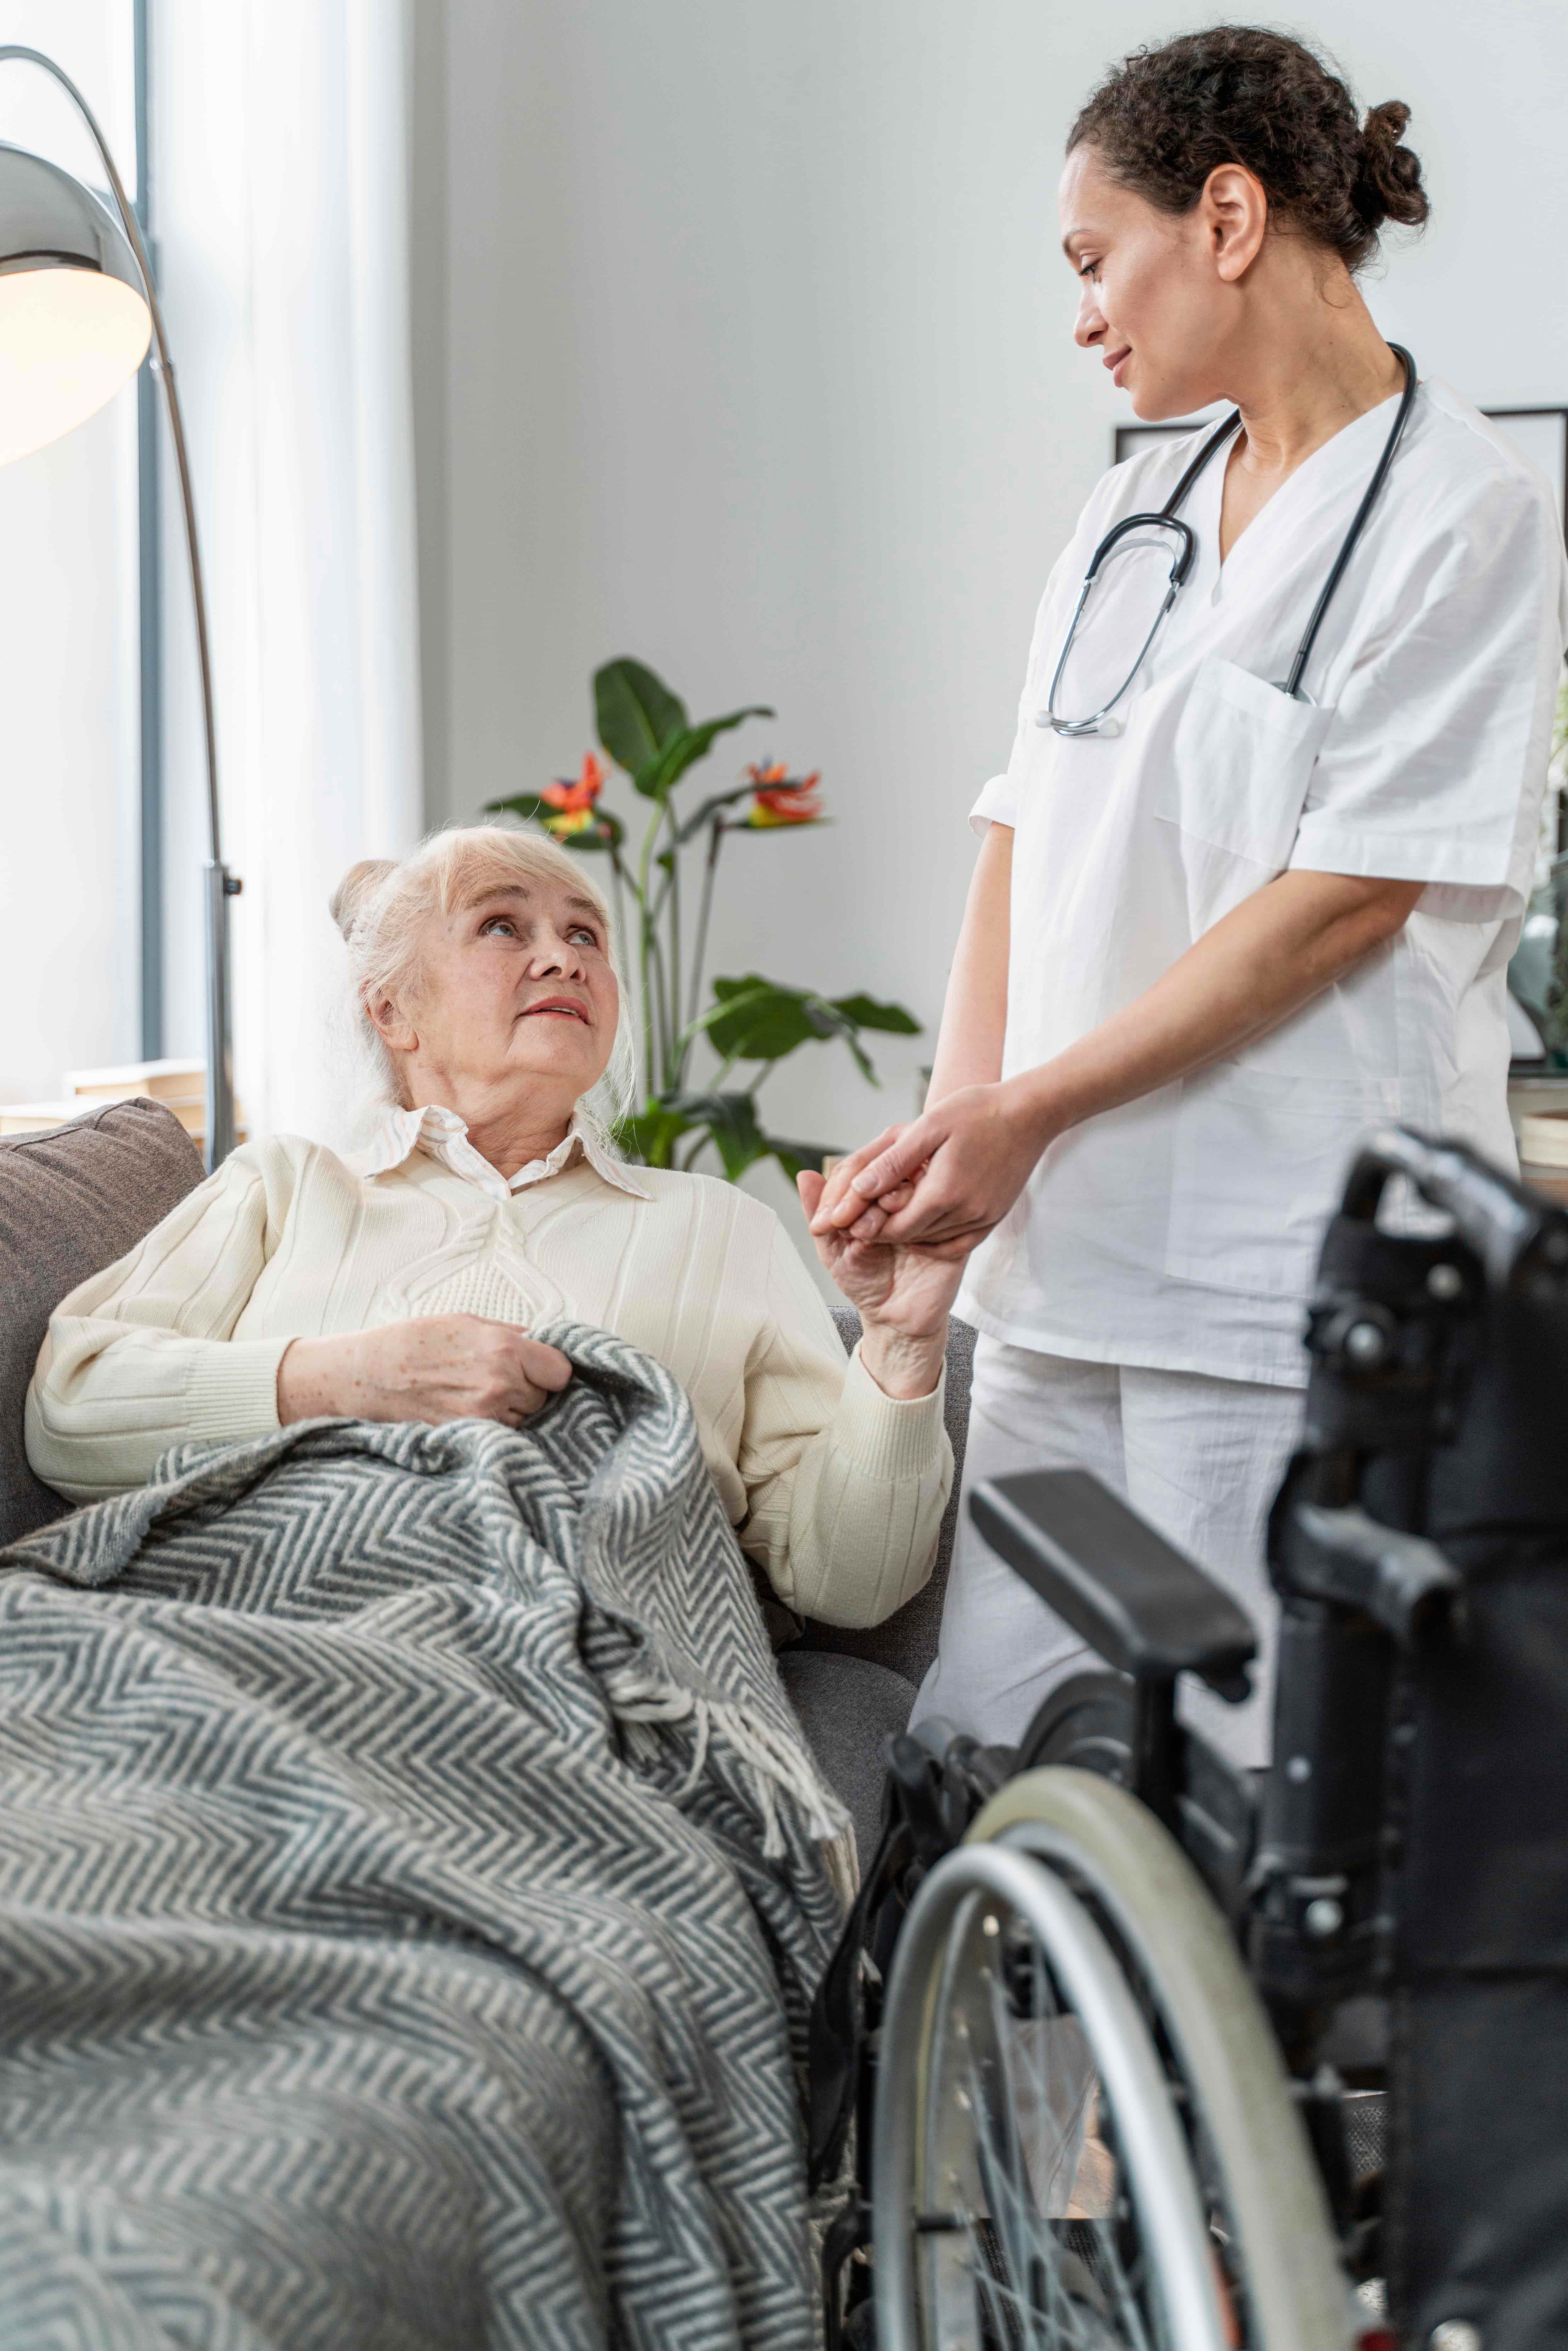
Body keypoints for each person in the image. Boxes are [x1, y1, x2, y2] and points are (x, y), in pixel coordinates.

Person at [811, 26, 1568, 1762]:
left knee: (1244, 1775)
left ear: (1225, 217)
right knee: (997, 1743)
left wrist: (1022, 1115)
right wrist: (948, 1154)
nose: (1082, 313)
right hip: (1057, 1249)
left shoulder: (1463, 513)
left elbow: (1348, 897)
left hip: (1270, 1267)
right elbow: (1023, 831)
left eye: (1095, 259)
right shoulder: (1129, 514)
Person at [27, 825, 958, 1634]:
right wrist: (353, 1381)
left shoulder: (720, 1228)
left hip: (565, 1672)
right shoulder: (285, 1184)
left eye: (584, 933)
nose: (564, 958)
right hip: (246, 1629)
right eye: (502, 925)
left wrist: (900, 1345)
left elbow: (851, 1584)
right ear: (392, 1008)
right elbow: (70, 1408)